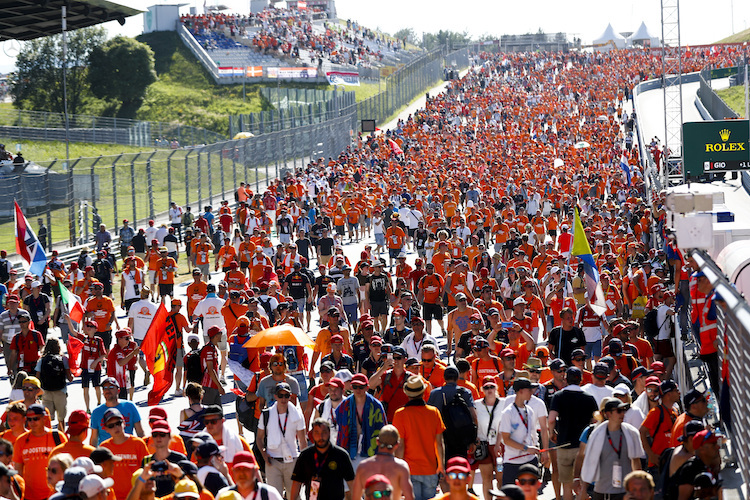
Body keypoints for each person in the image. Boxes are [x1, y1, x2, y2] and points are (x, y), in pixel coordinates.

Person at [580, 398, 645, 500]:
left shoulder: (632, 433)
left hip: (625, 492)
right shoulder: (596, 435)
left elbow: (636, 461)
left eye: (624, 410)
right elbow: (589, 463)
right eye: (619, 411)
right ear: (608, 414)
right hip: (602, 491)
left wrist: (639, 488)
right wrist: (583, 490)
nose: (622, 414)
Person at [548, 367, 597, 500]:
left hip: (564, 444)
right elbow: (595, 421)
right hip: (583, 447)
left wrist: (551, 433)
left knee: (567, 486)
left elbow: (551, 419)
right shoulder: (589, 398)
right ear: (581, 380)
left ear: (566, 378)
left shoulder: (558, 396)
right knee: (582, 485)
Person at [392, 375, 445, 500]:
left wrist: (397, 470)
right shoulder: (434, 412)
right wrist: (441, 466)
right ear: (423, 393)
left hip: (409, 470)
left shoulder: (400, 414)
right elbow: (439, 443)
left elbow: (400, 447)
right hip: (430, 469)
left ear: (407, 394)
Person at [256, 383, 307, 498]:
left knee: (294, 497)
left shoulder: (297, 415)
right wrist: (264, 455)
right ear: (275, 396)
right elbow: (259, 438)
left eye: (286, 395)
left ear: (290, 397)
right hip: (272, 461)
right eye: (280, 395)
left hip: (292, 461)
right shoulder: (266, 414)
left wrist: (303, 464)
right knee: (274, 497)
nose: (283, 398)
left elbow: (302, 441)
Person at [12, 404, 67, 500]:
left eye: (36, 418)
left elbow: (67, 465)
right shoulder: (21, 441)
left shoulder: (58, 437)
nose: (32, 422)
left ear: (45, 418)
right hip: (29, 496)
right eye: (29, 419)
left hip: (55, 494)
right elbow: (18, 470)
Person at [290, 418, 355, 500]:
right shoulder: (305, 455)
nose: (320, 437)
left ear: (329, 433)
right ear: (312, 434)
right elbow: (296, 483)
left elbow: (352, 483)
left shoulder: (341, 455)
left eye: (324, 432)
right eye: (317, 433)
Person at [335, 373, 387, 471]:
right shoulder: (344, 405)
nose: (358, 390)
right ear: (351, 387)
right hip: (349, 451)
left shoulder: (376, 405)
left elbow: (383, 430)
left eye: (361, 387)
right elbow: (337, 427)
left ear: (367, 387)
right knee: (350, 485)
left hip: (371, 452)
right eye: (355, 387)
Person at [351, 425, 414, 500]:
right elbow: (410, 497)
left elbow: (355, 497)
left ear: (377, 441)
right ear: (397, 445)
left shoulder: (363, 466)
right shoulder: (401, 467)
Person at [99, 408, 149, 500]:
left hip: (136, 495)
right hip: (113, 497)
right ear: (105, 429)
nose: (116, 427)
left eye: (118, 423)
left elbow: (147, 469)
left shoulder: (138, 444)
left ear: (124, 423)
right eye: (111, 426)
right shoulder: (104, 447)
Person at [90, 377, 144, 446]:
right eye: (105, 388)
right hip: (106, 453)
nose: (108, 390)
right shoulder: (96, 412)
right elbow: (94, 438)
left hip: (128, 450)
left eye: (111, 387)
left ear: (118, 390)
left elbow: (140, 433)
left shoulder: (130, 406)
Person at [474, 376, 503, 500]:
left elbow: (504, 424)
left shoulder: (504, 403)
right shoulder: (476, 405)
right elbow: (474, 424)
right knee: (487, 479)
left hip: (500, 445)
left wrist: (497, 443)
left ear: (496, 387)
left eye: (492, 386)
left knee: (501, 479)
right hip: (484, 445)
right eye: (486, 387)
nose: (489, 389)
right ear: (482, 389)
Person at [214, 451, 283, 500]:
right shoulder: (223, 494)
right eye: (238, 469)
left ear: (255, 470)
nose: (242, 473)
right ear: (233, 472)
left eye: (246, 469)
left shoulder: (269, 494)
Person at [35, 337, 72, 423]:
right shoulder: (63, 359)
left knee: (47, 419)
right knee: (61, 419)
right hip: (60, 391)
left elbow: (37, 378)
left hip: (46, 392)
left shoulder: (42, 359)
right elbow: (70, 378)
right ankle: (61, 435)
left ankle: (49, 435)